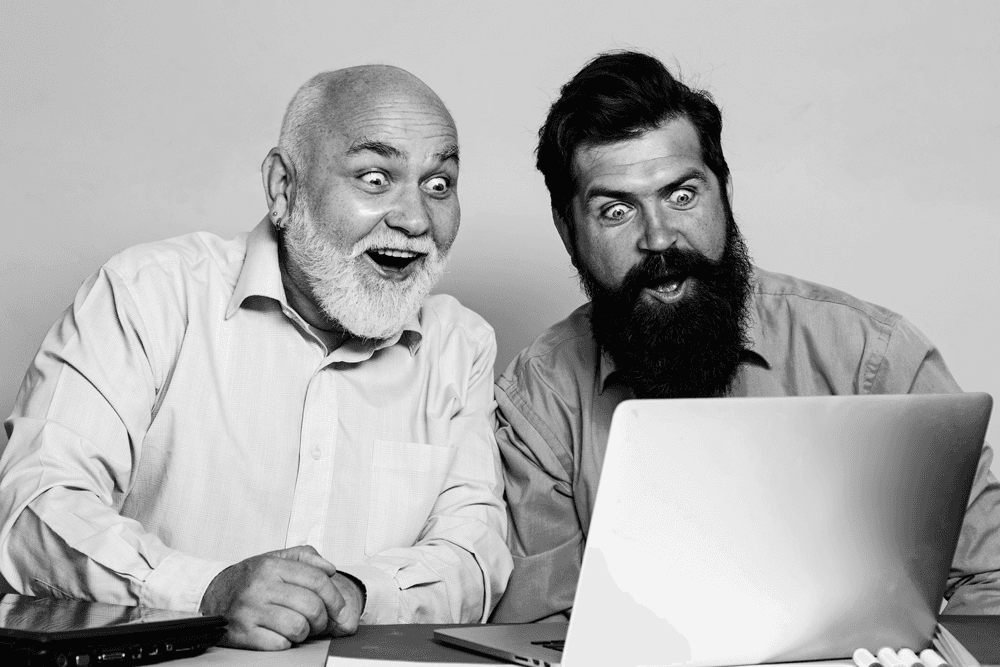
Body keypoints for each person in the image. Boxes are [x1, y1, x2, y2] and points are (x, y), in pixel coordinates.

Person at [0, 65, 512, 650]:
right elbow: (34, 510)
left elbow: (474, 554)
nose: (416, 219)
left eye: (439, 184)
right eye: (375, 178)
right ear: (283, 189)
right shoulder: (147, 294)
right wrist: (205, 593)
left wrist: (356, 591)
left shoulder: (460, 345)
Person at [491, 50, 1000, 623]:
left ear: (725, 192)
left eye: (682, 196)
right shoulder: (540, 400)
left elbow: (990, 581)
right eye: (615, 211)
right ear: (567, 230)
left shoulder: (873, 359)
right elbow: (546, 634)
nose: (659, 238)